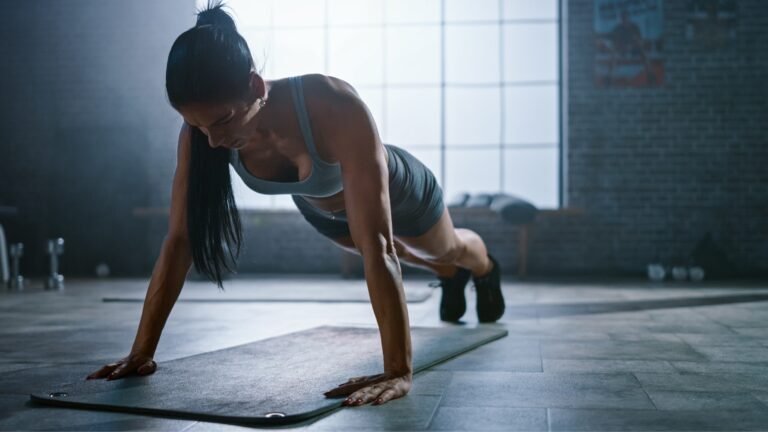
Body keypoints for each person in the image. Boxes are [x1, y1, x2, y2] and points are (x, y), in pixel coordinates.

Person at [86, 1, 505, 407]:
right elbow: (179, 241)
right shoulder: (201, 133)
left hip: (402, 191)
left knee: (439, 248)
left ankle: (483, 268)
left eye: (221, 122)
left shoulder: (332, 103)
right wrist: (141, 351)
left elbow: (378, 247)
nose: (212, 140)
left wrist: (398, 370)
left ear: (254, 86)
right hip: (322, 209)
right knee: (406, 255)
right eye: (196, 125)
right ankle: (450, 277)